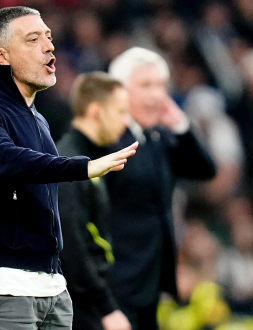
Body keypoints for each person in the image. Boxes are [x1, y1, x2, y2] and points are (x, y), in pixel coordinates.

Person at [0, 7, 138, 330]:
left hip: (50, 289)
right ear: (1, 55)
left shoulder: (40, 121)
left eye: (48, 37)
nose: (49, 46)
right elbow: (12, 162)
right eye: (33, 39)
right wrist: (83, 167)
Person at [106, 47, 217, 330]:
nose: (156, 95)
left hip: (150, 282)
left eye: (161, 86)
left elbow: (205, 169)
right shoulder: (104, 141)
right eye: (145, 85)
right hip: (115, 286)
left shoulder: (157, 138)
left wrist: (180, 124)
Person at [57, 72, 132, 330]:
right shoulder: (71, 165)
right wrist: (106, 308)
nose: (126, 122)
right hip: (77, 308)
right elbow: (72, 244)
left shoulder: (88, 159)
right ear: (96, 111)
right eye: (121, 112)